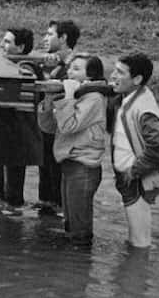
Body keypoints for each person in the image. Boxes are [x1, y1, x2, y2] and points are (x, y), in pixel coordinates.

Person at [38, 54, 109, 245]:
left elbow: (69, 126)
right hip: (69, 164)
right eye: (70, 67)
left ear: (90, 76)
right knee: (69, 223)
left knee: (79, 229)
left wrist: (68, 98)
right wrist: (49, 100)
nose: (69, 72)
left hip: (84, 167)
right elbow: (48, 128)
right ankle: (73, 270)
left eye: (76, 69)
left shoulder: (94, 98)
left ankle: (80, 266)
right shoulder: (74, 96)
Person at [107, 53, 159, 249]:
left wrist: (133, 172)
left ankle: (136, 275)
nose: (113, 76)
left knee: (140, 243)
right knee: (134, 240)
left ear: (137, 79)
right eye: (114, 70)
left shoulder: (143, 108)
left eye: (120, 72)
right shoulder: (130, 96)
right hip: (131, 177)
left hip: (138, 180)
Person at [0, 28, 44, 211]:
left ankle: (12, 229)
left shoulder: (26, 68)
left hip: (17, 136)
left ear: (21, 47)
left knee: (12, 193)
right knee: (1, 189)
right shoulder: (5, 65)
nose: (1, 45)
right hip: (3, 133)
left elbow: (31, 94)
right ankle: (4, 225)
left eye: (7, 42)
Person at [35, 19, 80, 216]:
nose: (44, 38)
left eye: (49, 34)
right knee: (45, 172)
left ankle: (60, 212)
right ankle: (47, 211)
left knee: (57, 174)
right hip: (46, 125)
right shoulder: (50, 61)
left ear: (63, 38)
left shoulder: (75, 65)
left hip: (62, 128)